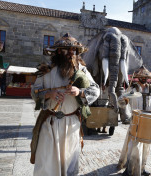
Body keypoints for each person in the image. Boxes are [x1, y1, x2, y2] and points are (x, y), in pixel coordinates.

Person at [31, 33, 100, 176]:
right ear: (58, 52)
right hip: (50, 123)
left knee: (69, 164)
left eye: (73, 50)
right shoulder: (45, 71)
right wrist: (49, 93)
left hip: (72, 124)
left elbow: (96, 90)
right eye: (66, 50)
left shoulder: (82, 71)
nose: (70, 53)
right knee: (46, 165)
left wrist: (80, 92)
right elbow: (34, 92)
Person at [118, 66, 151, 176]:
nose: (144, 78)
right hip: (136, 121)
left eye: (146, 77)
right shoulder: (132, 89)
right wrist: (124, 100)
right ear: (138, 77)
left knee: (146, 147)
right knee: (133, 146)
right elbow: (120, 101)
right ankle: (129, 170)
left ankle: (142, 169)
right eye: (141, 76)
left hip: (148, 122)